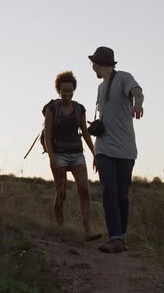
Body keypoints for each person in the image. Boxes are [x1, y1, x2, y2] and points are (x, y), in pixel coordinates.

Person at [88, 46, 144, 253]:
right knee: (109, 191)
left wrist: (137, 105)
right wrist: (96, 152)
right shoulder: (100, 88)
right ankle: (115, 238)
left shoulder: (123, 77)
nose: (92, 67)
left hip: (126, 149)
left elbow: (137, 92)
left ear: (98, 64)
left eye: (93, 63)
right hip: (103, 148)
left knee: (122, 195)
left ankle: (122, 237)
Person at [44, 71, 102, 242]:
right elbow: (47, 135)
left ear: (74, 90)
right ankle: (60, 228)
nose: (67, 94)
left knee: (84, 190)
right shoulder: (52, 108)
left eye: (70, 90)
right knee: (61, 192)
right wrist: (51, 157)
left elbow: (85, 133)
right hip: (59, 154)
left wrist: (95, 154)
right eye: (63, 91)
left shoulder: (79, 109)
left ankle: (87, 230)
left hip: (77, 154)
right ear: (58, 91)